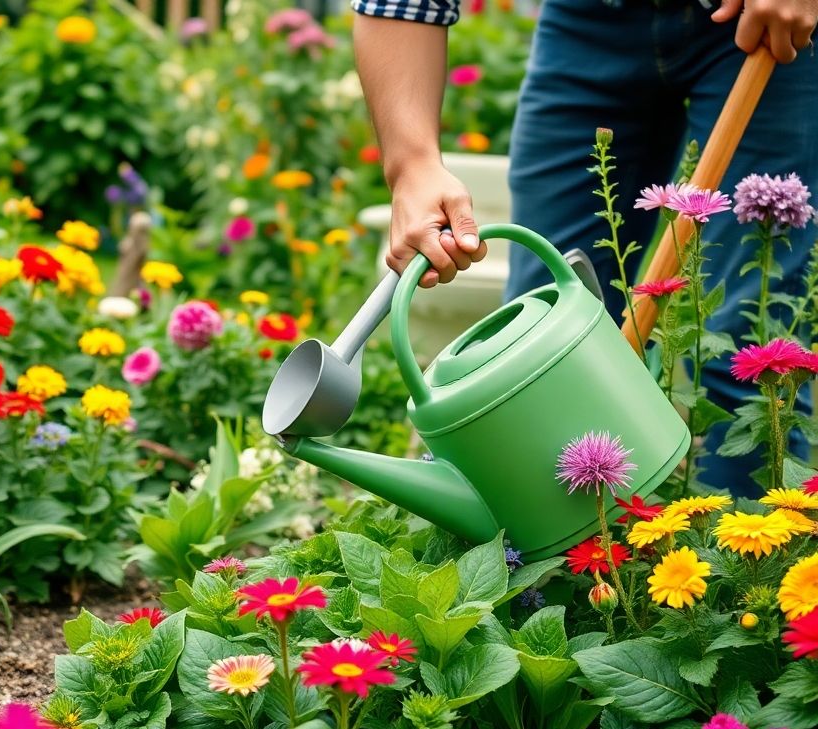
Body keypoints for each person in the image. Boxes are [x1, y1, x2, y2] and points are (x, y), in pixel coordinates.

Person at [351, 0, 818, 494]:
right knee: (535, 341)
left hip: (758, 23)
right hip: (587, 20)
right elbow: (402, 6)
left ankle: (754, 554)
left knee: (752, 347)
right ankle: (557, 559)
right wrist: (412, 166)